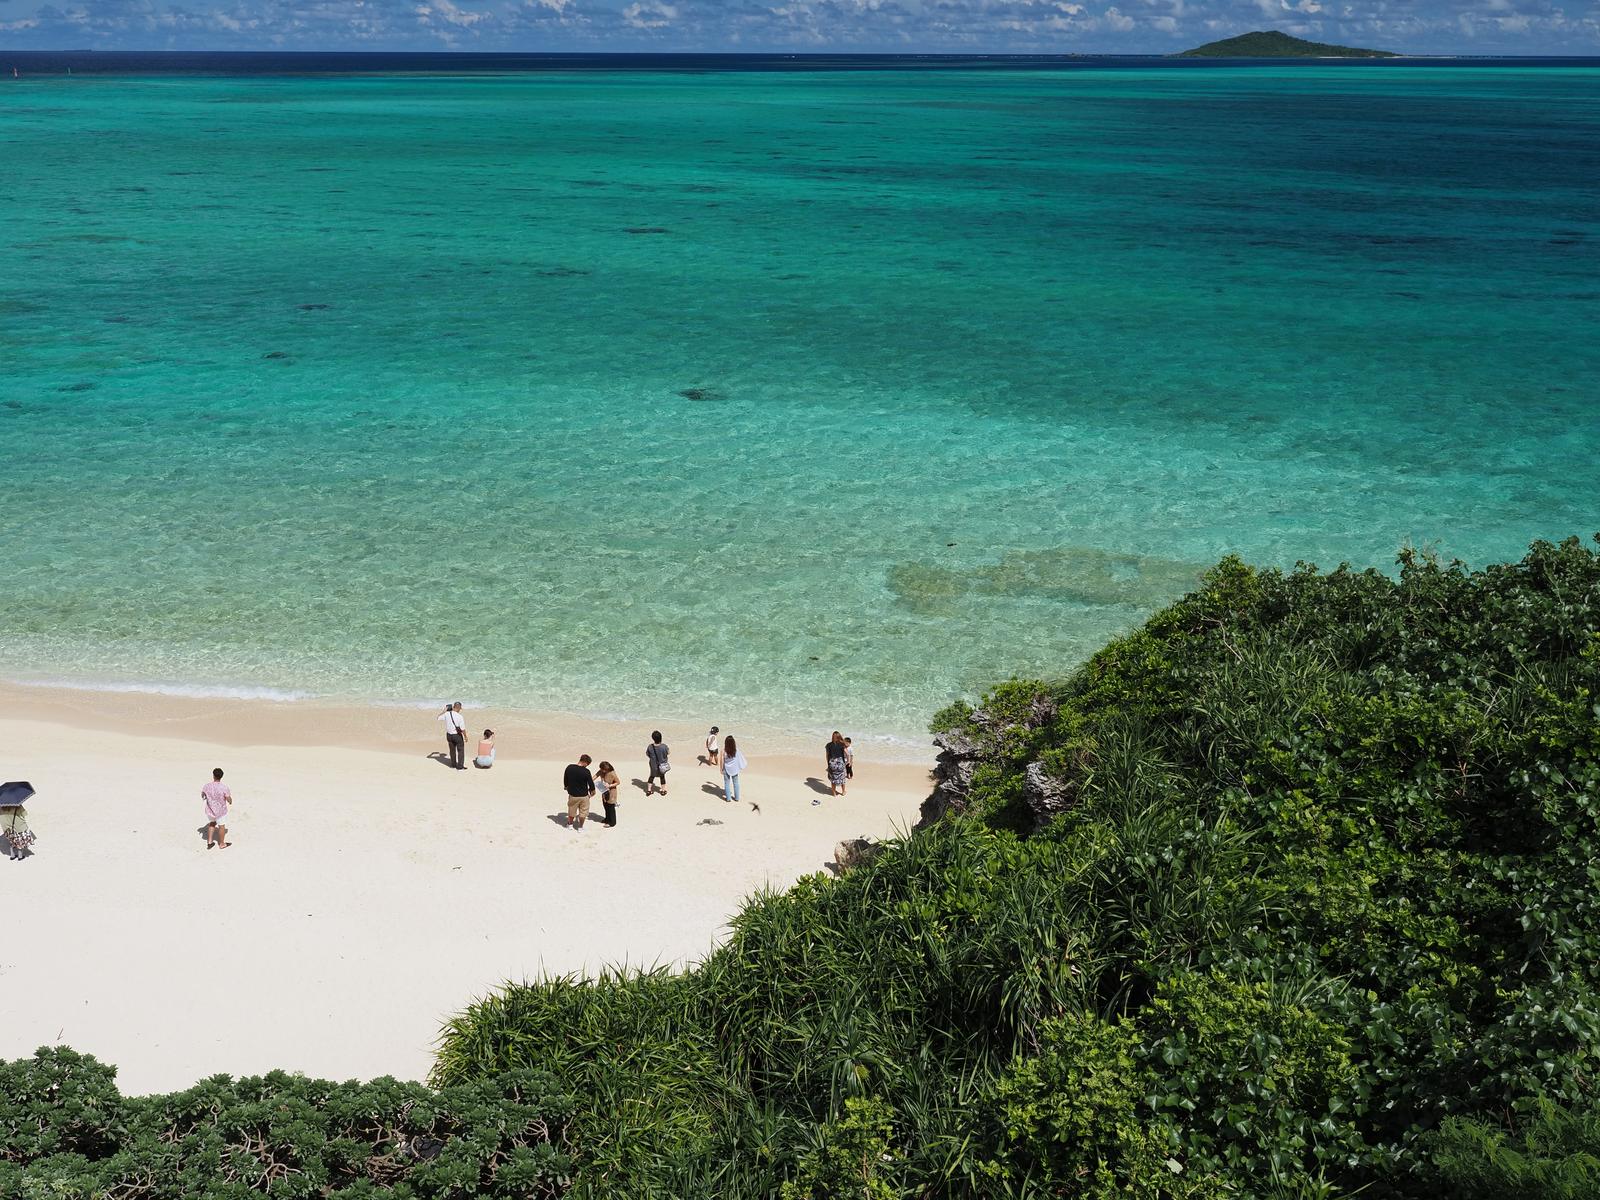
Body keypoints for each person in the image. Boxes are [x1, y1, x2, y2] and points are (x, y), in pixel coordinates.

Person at [202, 768, 233, 849]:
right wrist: (230, 801)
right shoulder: (224, 787)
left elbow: (203, 795)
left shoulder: (207, 786)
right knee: (221, 826)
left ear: (213, 775)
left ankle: (209, 842)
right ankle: (222, 844)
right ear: (221, 776)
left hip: (210, 810)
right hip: (220, 811)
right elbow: (228, 799)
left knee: (212, 823)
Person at [563, 754, 596, 830]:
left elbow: (565, 779)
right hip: (584, 796)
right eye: (587, 764)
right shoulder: (586, 771)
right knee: (583, 813)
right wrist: (593, 791)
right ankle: (580, 827)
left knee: (572, 810)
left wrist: (567, 787)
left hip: (573, 795)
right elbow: (591, 783)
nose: (587, 766)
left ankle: (570, 825)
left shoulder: (569, 767)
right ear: (585, 762)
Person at [439, 702, 466, 770]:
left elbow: (438, 718)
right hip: (457, 736)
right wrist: (465, 736)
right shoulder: (460, 716)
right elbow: (462, 729)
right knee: (460, 750)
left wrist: (444, 711)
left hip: (449, 735)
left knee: (452, 750)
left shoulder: (446, 714)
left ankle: (453, 765)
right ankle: (460, 767)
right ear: (459, 708)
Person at [721, 735, 748, 803]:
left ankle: (728, 799)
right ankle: (737, 798)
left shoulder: (723, 751)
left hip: (726, 769)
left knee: (727, 783)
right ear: (733, 742)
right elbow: (739, 758)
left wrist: (721, 769)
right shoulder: (736, 750)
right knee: (736, 783)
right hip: (734, 769)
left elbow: (721, 761)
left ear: (725, 743)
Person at [595, 760, 622, 827]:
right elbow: (596, 775)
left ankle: (612, 822)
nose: (603, 771)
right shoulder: (601, 771)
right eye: (602, 769)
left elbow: (618, 782)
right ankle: (607, 819)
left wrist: (610, 785)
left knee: (610, 807)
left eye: (605, 770)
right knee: (605, 805)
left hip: (611, 792)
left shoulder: (612, 773)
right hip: (604, 791)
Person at [824, 731, 848, 801]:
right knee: (842, 778)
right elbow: (847, 754)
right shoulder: (842, 744)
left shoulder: (828, 745)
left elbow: (827, 756)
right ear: (839, 737)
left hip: (832, 763)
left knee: (833, 780)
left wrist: (828, 764)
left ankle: (834, 793)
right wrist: (847, 762)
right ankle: (843, 792)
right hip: (840, 763)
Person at [645, 730, 670, 796]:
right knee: (662, 777)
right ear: (661, 738)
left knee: (651, 776)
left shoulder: (650, 746)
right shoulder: (664, 746)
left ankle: (649, 790)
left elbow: (647, 754)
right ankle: (663, 791)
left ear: (653, 738)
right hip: (662, 765)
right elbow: (668, 752)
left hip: (653, 765)